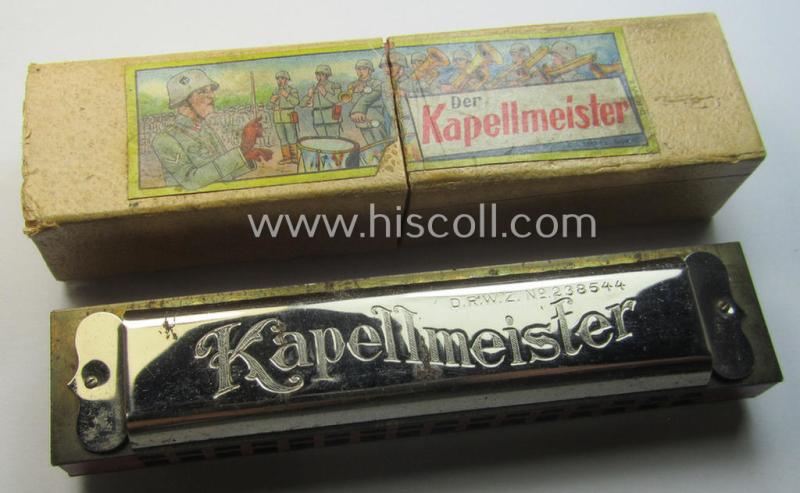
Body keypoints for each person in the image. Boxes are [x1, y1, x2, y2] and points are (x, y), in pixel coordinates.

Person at [151, 68, 271, 191]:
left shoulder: (205, 130)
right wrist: (242, 149)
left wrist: (245, 156)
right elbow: (191, 182)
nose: (212, 96)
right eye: (202, 92)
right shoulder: (165, 139)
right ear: (184, 101)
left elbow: (220, 175)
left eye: (211, 91)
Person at [348, 59, 387, 145]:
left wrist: (362, 90)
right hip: (361, 120)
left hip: (375, 117)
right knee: (371, 144)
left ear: (370, 70)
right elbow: (351, 101)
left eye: (364, 69)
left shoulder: (377, 83)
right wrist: (355, 91)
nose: (361, 71)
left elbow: (372, 96)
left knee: (383, 142)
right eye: (358, 69)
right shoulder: (352, 85)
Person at [301, 64, 342, 137]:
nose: (319, 76)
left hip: (332, 119)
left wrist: (325, 93)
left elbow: (338, 100)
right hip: (318, 120)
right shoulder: (314, 88)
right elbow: (301, 104)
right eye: (317, 74)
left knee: (334, 140)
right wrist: (308, 96)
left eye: (322, 74)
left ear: (327, 75)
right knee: (322, 141)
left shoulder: (334, 86)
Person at [270, 70, 300, 164]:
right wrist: (272, 101)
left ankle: (295, 157)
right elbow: (269, 107)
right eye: (278, 78)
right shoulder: (275, 91)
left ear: (287, 80)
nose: (280, 80)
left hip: (288, 116)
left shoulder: (292, 90)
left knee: (292, 137)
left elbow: (296, 102)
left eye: (282, 78)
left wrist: (286, 95)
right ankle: (287, 157)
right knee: (282, 138)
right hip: (277, 118)